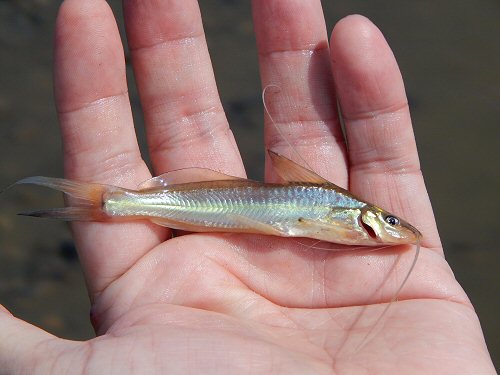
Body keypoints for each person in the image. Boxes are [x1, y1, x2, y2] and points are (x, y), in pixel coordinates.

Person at [0, 0, 495, 373]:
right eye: (388, 220)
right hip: (199, 199)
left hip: (212, 201)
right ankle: (113, 203)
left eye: (391, 221)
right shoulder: (343, 212)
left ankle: (113, 204)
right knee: (132, 204)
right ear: (363, 218)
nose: (392, 228)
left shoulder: (347, 221)